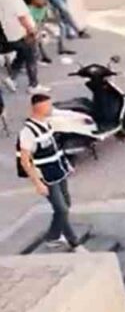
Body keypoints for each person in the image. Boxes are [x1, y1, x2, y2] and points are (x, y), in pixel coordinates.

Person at [17, 93, 83, 251]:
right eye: (48, 105)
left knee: (66, 204)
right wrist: (38, 183)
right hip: (46, 176)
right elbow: (25, 161)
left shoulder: (47, 124)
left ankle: (54, 234)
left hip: (59, 171)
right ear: (38, 107)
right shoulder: (28, 132)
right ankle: (73, 241)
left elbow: (56, 148)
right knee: (61, 209)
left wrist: (66, 165)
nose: (51, 108)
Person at [0, 0, 39, 92]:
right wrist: (32, 31)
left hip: (4, 38)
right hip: (17, 35)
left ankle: (12, 78)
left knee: (22, 54)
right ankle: (33, 85)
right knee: (31, 55)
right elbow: (23, 18)